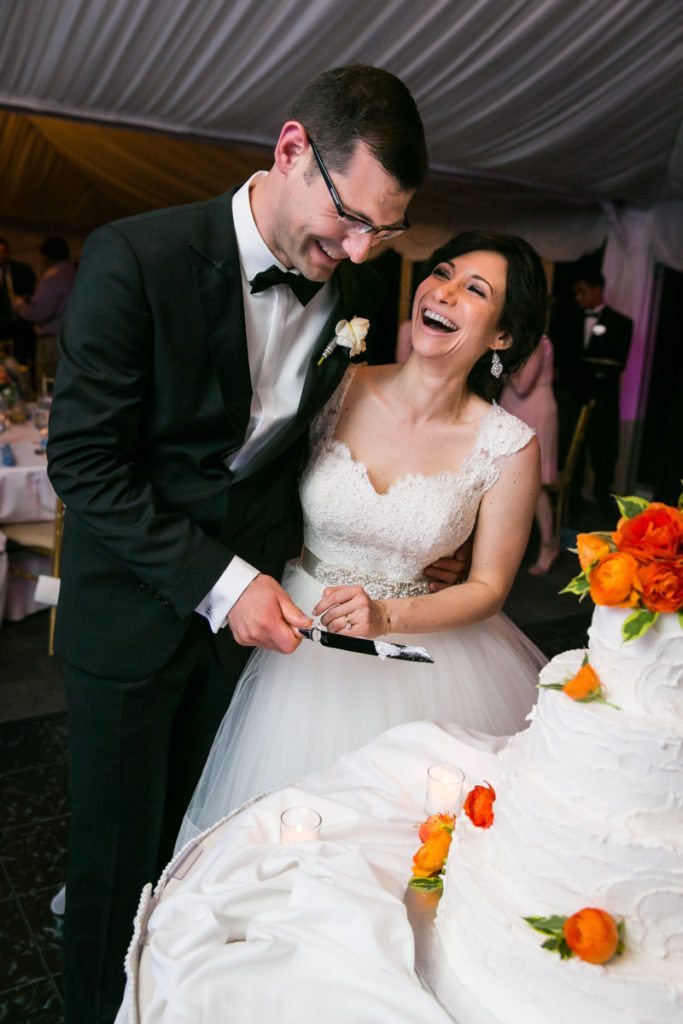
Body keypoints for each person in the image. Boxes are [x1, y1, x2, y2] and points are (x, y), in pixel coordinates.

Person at [47, 65, 436, 1024]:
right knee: (112, 858)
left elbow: (298, 449)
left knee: (200, 842)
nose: (355, 250)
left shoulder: (356, 282)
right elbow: (86, 465)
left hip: (250, 633)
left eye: (380, 233)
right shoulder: (136, 257)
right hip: (135, 617)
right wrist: (223, 582)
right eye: (348, 218)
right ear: (292, 148)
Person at [178, 230, 549, 847]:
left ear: (503, 336)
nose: (444, 291)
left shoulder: (509, 445)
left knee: (404, 844)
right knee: (274, 836)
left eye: (475, 290)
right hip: (294, 631)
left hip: (426, 662)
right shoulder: (337, 385)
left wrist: (389, 610)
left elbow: (488, 586)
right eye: (443, 273)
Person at [552, 269, 632, 518]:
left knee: (603, 455)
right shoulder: (566, 320)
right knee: (570, 456)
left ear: (597, 290)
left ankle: (604, 513)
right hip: (572, 401)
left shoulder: (621, 323)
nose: (578, 297)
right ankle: (569, 509)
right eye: (576, 292)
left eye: (583, 292)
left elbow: (616, 364)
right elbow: (561, 360)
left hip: (603, 403)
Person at [501, 334, 559, 574]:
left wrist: (501, 362)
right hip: (513, 409)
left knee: (537, 486)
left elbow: (522, 384)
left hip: (534, 410)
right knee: (506, 481)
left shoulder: (537, 342)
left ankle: (548, 545)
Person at [14, 235, 77, 386]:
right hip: (74, 336)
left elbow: (39, 312)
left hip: (53, 340)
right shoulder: (76, 272)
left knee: (49, 382)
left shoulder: (53, 277)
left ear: (45, 256)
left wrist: (20, 304)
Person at [0, 236, 36, 366]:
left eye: (3, 252)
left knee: (22, 360)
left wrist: (24, 299)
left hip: (21, 323)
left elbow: (32, 292)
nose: (1, 256)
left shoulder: (22, 270)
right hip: (2, 325)